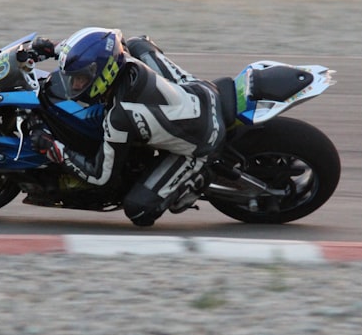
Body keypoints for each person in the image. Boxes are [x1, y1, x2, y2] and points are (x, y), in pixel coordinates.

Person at [28, 28, 226, 227]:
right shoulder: (118, 57)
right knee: (137, 43)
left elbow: (100, 176)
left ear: (103, 75)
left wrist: (53, 148)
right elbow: (110, 39)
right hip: (197, 90)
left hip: (203, 138)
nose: (75, 84)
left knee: (139, 211)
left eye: (81, 78)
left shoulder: (120, 117)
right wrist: (54, 48)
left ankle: (203, 175)